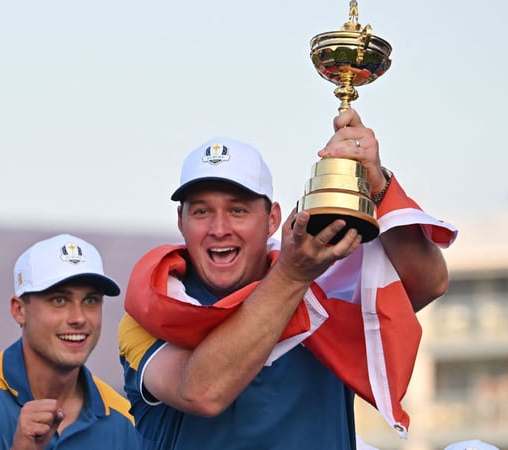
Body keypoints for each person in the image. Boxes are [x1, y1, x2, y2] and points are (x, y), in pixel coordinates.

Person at [118, 109, 458, 449]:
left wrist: (377, 186)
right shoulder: (155, 310)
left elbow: (428, 284)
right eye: (201, 211)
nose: (219, 229)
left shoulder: (321, 289)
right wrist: (292, 276)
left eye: (238, 210)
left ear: (272, 220)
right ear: (181, 222)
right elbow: (202, 392)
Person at [0, 233, 141, 450]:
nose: (78, 318)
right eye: (59, 300)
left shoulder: (125, 421)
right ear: (19, 310)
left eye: (90, 300)